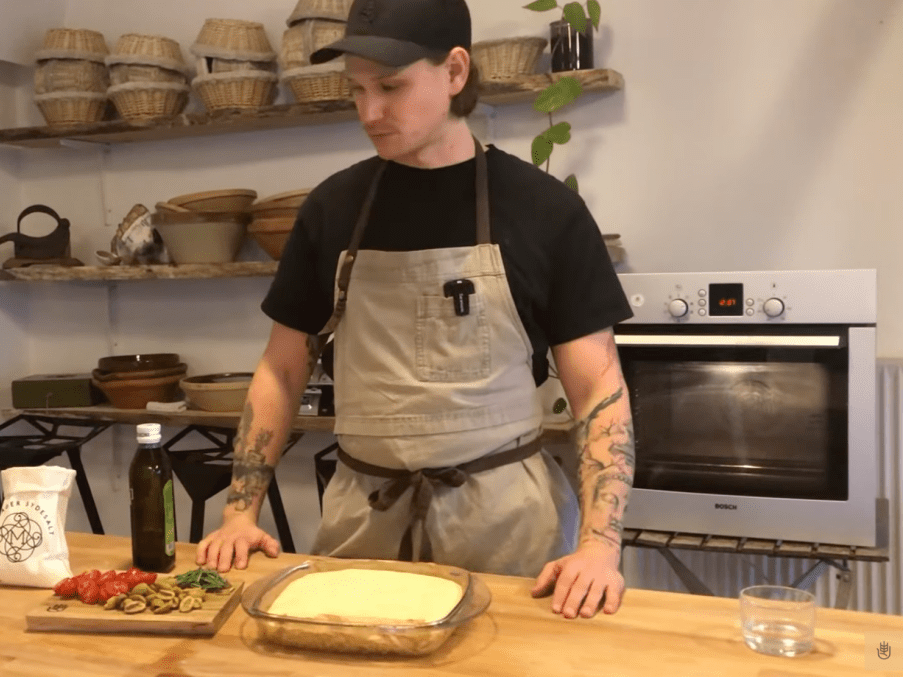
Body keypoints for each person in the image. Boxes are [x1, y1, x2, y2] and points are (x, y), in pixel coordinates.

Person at [196, 0, 635, 620]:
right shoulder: (332, 210)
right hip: (363, 528)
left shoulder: (544, 211)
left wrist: (598, 546)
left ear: (455, 72)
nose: (369, 112)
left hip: (510, 535)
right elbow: (280, 371)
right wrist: (240, 512)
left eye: (392, 86)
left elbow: (598, 390)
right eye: (357, 90)